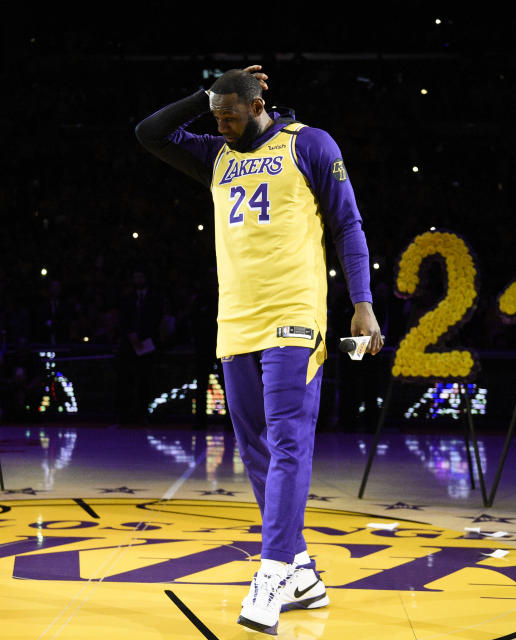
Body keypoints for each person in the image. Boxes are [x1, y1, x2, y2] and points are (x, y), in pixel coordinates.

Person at [136, 66, 383, 632]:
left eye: (230, 113)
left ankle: (270, 575)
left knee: (288, 440)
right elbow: (149, 133)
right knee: (255, 452)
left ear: (257, 103)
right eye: (215, 115)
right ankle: (301, 571)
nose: (220, 124)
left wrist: (362, 303)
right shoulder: (215, 154)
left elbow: (348, 226)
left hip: (295, 316)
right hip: (237, 320)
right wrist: (204, 96)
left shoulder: (310, 144)